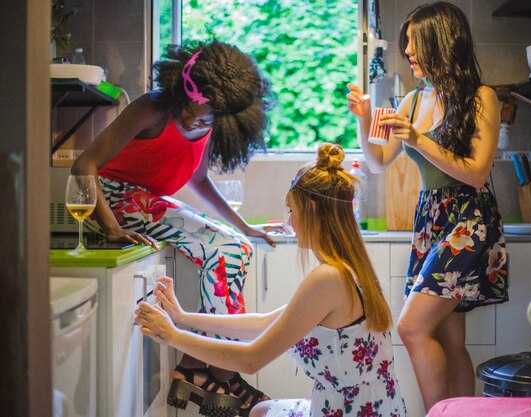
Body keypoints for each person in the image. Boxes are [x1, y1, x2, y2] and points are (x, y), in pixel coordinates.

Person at [71, 39, 289, 415]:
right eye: (189, 110)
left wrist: (244, 226)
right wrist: (110, 228)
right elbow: (84, 165)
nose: (193, 121)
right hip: (112, 199)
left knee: (239, 245)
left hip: (142, 202)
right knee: (229, 249)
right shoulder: (153, 108)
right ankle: (223, 373)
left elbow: (199, 180)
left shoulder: (209, 124)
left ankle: (196, 368)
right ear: (181, 90)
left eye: (205, 118)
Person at [134, 143, 408, 417]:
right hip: (378, 408)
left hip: (348, 412)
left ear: (311, 210)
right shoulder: (349, 269)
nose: (289, 222)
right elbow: (264, 324)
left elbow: (251, 360)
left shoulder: (328, 278)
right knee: (262, 410)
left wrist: (171, 335)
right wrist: (183, 318)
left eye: (291, 210)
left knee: (258, 412)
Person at [346, 2, 509, 412]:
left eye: (416, 43)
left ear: (443, 41)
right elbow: (378, 162)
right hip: (432, 220)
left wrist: (419, 140)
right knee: (450, 337)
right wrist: (364, 121)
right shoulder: (414, 102)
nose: (409, 52)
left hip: (469, 220)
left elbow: (475, 173)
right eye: (407, 43)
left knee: (412, 326)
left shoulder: (481, 98)